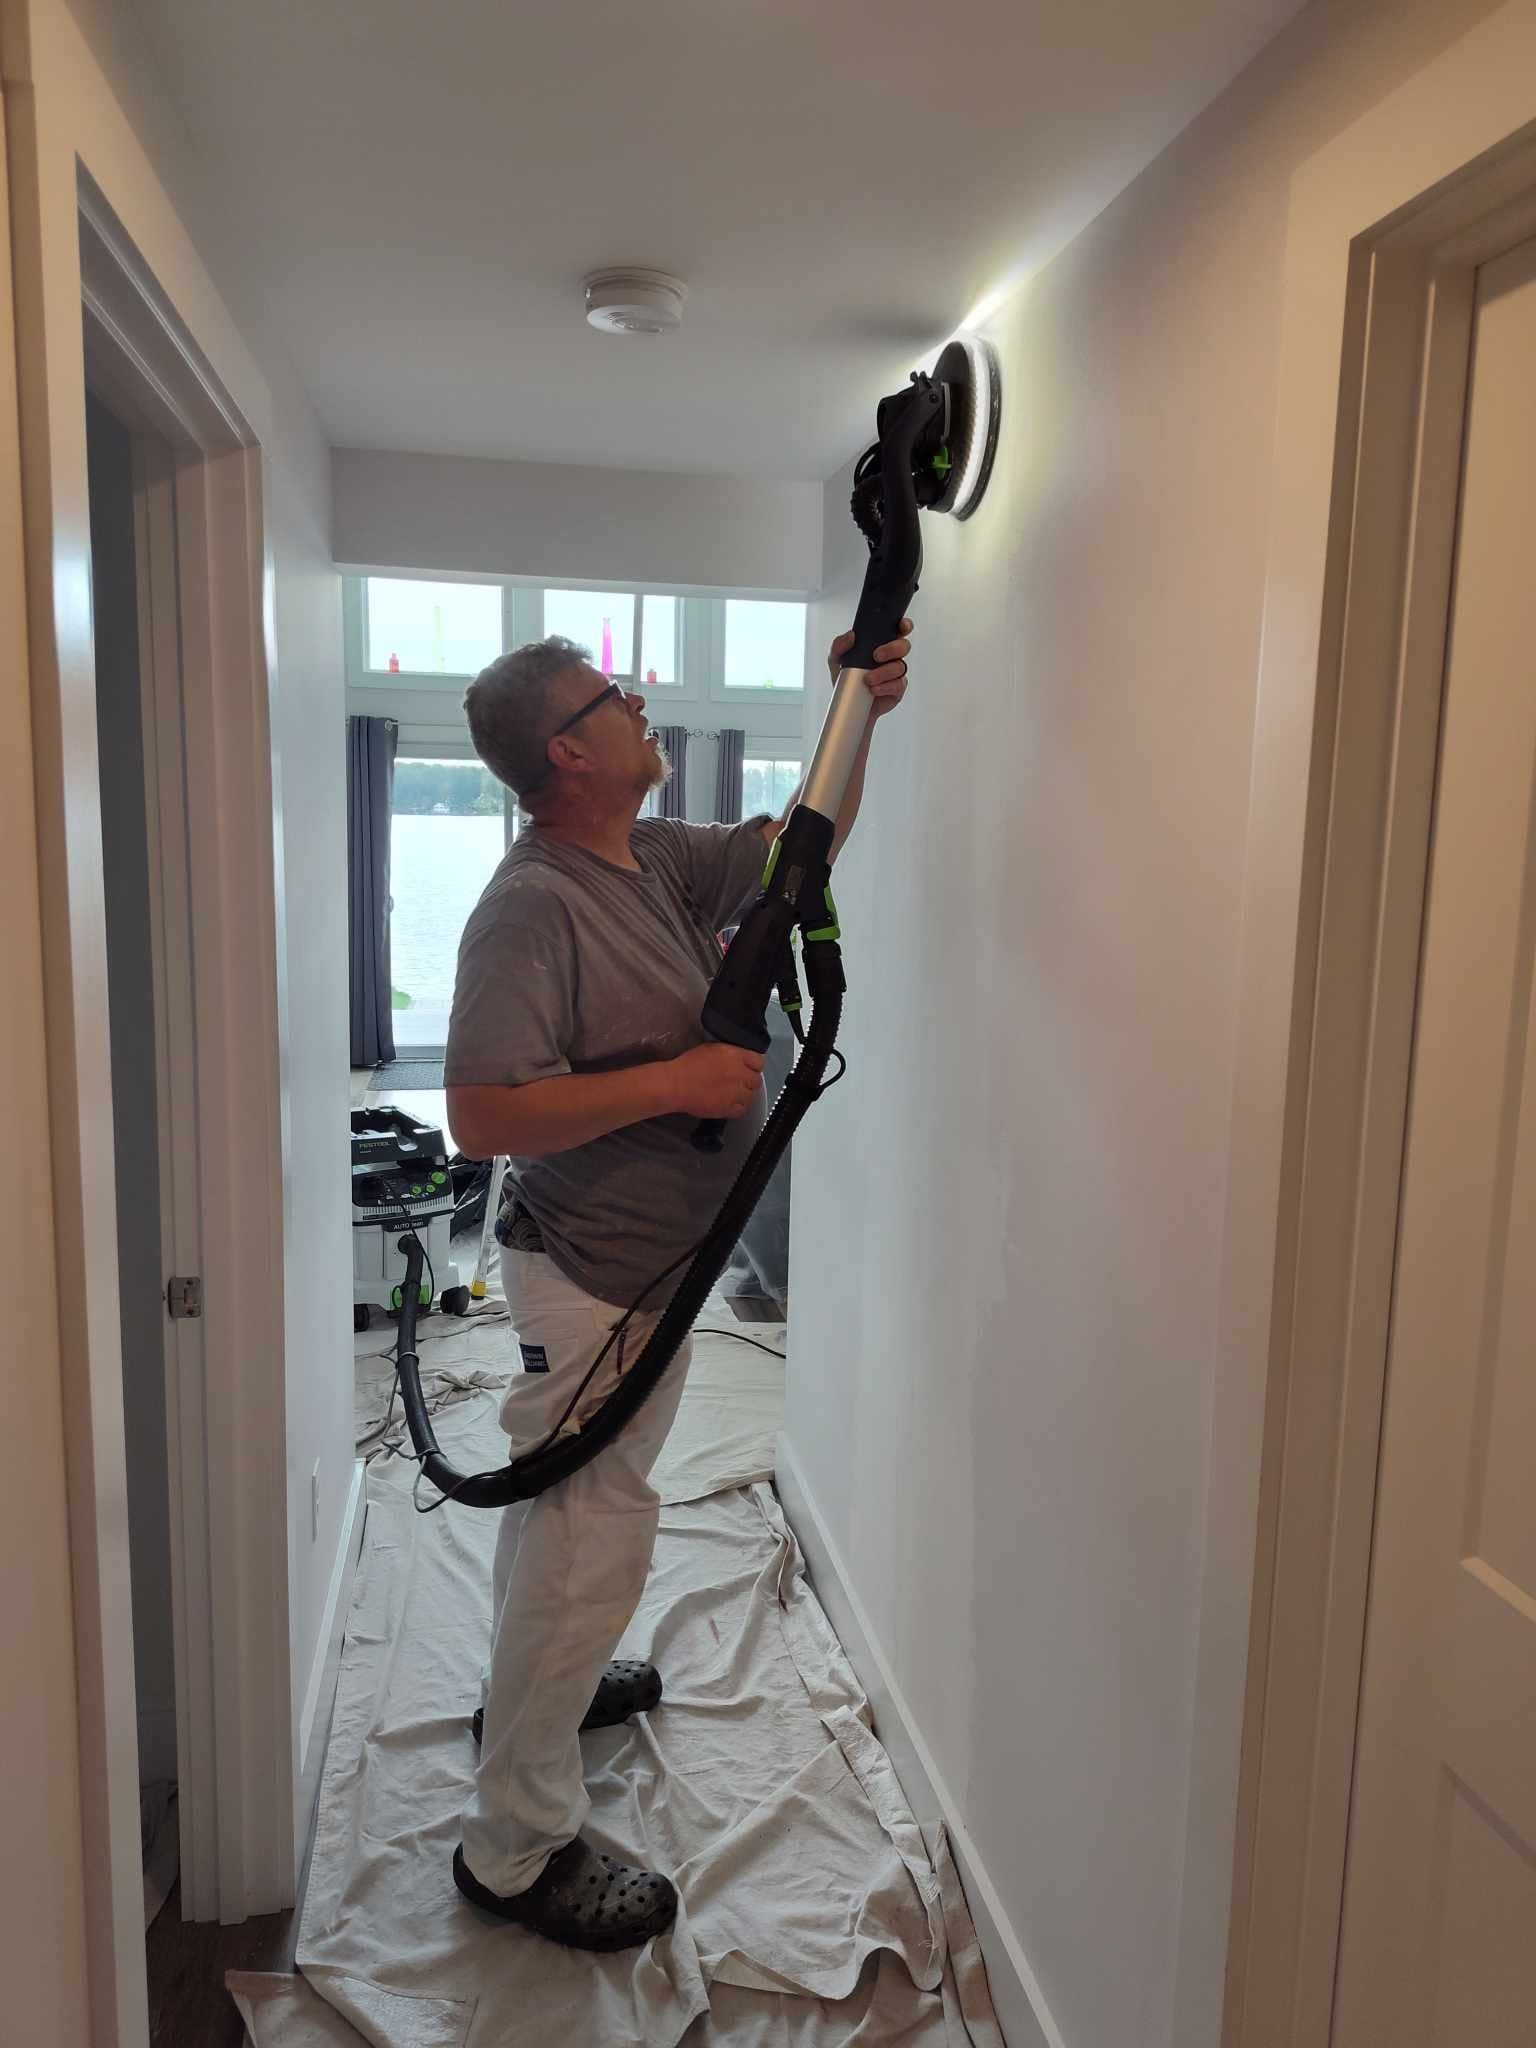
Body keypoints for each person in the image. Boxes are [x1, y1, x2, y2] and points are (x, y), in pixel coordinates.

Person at [443, 620, 912, 1952]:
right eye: (617, 696)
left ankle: (539, 1694)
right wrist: (673, 1084)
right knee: (593, 1539)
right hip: (589, 1277)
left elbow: (800, 848)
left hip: (652, 1266)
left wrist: (857, 703)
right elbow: (479, 1112)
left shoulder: (648, 855)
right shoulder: (533, 903)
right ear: (566, 751)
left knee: (569, 1521)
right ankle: (513, 1847)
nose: (643, 703)